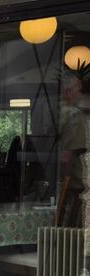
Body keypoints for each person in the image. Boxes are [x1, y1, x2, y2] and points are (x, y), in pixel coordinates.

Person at [58, 72, 88, 227]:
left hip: (59, 181)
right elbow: (67, 155)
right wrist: (67, 180)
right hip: (73, 182)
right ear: (69, 92)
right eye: (78, 89)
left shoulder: (54, 111)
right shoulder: (73, 115)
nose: (81, 92)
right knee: (73, 224)